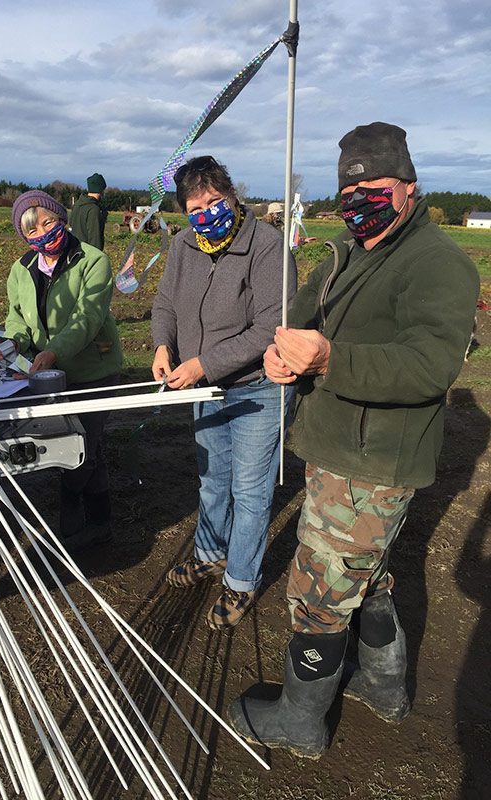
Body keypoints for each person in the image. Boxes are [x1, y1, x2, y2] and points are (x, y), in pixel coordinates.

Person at [228, 122, 480, 757]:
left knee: (319, 593)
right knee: (369, 574)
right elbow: (302, 313)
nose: (359, 196)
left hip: (370, 459)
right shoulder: (349, 248)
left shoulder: (439, 265)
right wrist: (285, 353)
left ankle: (299, 722)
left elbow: (429, 365)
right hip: (337, 442)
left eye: (374, 184)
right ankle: (383, 685)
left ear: (410, 188)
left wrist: (326, 362)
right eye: (349, 187)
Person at [151, 155, 296, 630]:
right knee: (213, 480)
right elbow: (166, 301)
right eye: (195, 206)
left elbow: (270, 328)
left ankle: (240, 581)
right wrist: (162, 345)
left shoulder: (268, 246)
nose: (206, 212)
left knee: (250, 492)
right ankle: (211, 555)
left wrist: (203, 365)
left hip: (257, 389)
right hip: (205, 390)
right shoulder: (183, 245)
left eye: (214, 200)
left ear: (232, 195)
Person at [0, 190, 122, 551]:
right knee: (78, 443)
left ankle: (75, 504)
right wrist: (13, 342)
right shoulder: (21, 269)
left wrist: (52, 352)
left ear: (61, 218)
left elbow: (88, 317)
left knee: (86, 442)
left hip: (93, 368)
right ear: (25, 236)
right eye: (33, 229)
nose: (44, 232)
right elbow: (16, 317)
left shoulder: (93, 261)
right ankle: (100, 520)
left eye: (49, 221)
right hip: (46, 374)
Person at [69, 173, 108, 250]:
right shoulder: (93, 209)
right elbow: (95, 239)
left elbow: (72, 225)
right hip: (88, 255)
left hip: (74, 252)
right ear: (101, 190)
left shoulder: (77, 205)